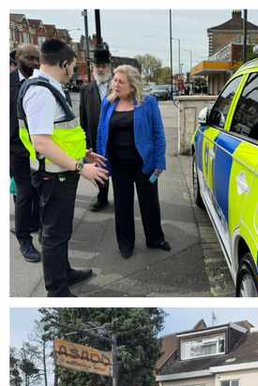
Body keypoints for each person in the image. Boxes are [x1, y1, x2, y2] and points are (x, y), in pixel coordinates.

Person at [17, 39, 109, 297]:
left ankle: (64, 272)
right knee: (54, 234)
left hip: (59, 172)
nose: (74, 72)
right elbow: (42, 143)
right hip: (54, 175)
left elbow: (58, 135)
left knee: (60, 230)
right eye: (72, 67)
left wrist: (84, 153)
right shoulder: (41, 93)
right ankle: (57, 290)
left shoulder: (45, 87)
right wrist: (81, 167)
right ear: (63, 64)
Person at [95, 64, 168, 259]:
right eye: (115, 80)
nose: (115, 84)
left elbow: (158, 134)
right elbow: (101, 132)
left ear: (132, 85)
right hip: (119, 165)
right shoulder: (108, 103)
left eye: (120, 81)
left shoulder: (148, 102)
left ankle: (155, 239)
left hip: (145, 165)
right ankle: (125, 243)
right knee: (122, 205)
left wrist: (160, 163)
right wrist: (101, 161)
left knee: (150, 204)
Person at [10, 43, 42, 264]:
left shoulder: (38, 82)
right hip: (17, 151)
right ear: (18, 57)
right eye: (30, 58)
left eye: (37, 58)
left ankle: (35, 224)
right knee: (24, 194)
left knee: (38, 191)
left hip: (39, 149)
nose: (35, 62)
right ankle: (24, 239)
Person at [78, 47, 111, 210]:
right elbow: (83, 118)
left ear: (109, 67)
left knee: (118, 169)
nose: (100, 69)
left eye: (104, 66)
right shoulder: (86, 90)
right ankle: (102, 197)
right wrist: (85, 142)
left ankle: (122, 198)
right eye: (98, 66)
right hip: (95, 136)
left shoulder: (118, 86)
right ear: (93, 68)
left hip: (116, 135)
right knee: (100, 168)